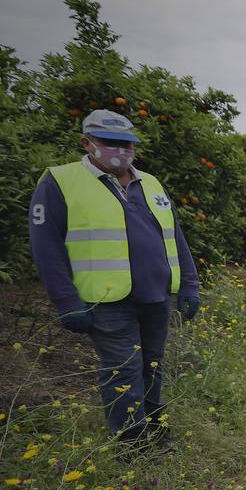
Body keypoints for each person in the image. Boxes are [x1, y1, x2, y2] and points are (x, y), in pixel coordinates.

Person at [28, 109, 200, 446]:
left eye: (126, 143)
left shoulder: (150, 183)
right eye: (109, 142)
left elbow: (174, 236)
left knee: (152, 364)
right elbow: (46, 247)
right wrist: (66, 301)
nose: (119, 150)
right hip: (106, 300)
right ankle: (131, 442)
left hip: (156, 296)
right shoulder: (60, 182)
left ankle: (156, 428)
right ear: (87, 142)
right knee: (123, 369)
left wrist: (189, 285)